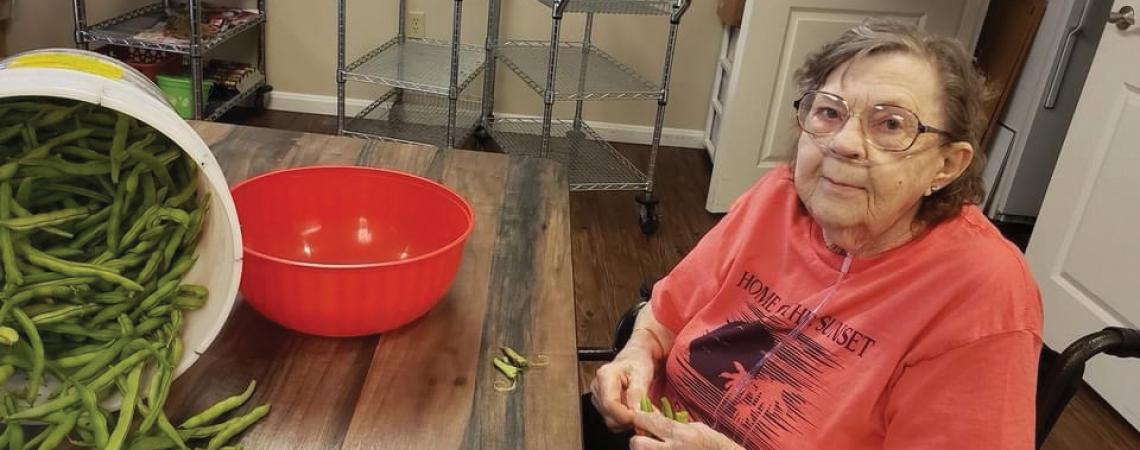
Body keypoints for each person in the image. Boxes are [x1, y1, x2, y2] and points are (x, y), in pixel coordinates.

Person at [586, 19, 1043, 450]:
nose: (843, 143)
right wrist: (637, 356)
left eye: (890, 124)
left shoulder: (982, 291)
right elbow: (663, 317)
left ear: (947, 165)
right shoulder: (779, 197)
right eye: (829, 112)